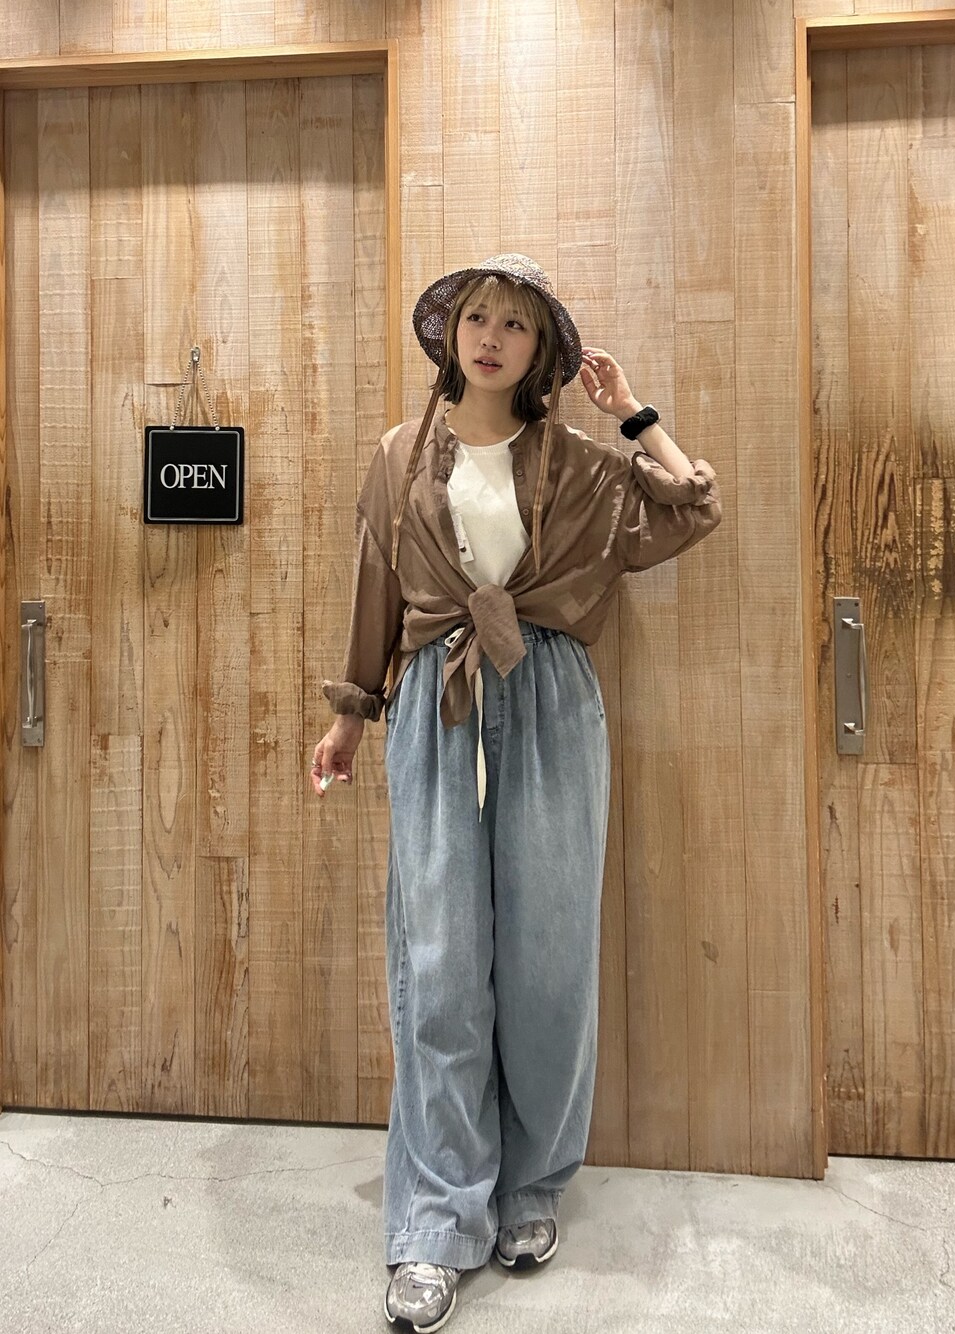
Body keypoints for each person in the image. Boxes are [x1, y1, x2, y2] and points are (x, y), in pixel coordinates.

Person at [311, 254, 721, 1332]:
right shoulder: (399, 456)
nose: (490, 337)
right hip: (436, 709)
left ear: (541, 352)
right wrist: (349, 715)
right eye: (476, 318)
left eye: (515, 325)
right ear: (450, 334)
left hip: (548, 708)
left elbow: (690, 507)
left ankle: (530, 1185)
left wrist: (633, 415)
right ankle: (434, 1218)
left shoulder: (575, 462)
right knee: (440, 963)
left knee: (546, 960)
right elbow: (374, 586)